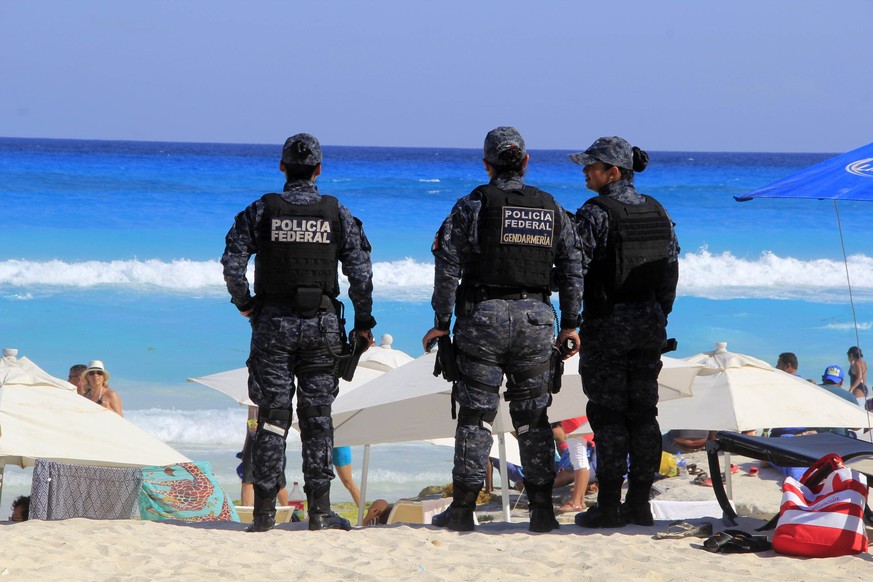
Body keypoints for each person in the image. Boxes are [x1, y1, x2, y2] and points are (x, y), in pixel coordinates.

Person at [421, 126, 583, 532]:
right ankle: (543, 511)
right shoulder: (552, 208)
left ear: (487, 164)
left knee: (475, 416)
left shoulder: (473, 204)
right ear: (526, 162)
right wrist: (574, 322)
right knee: (533, 417)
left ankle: (462, 511)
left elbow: (447, 265)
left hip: (483, 319)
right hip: (536, 320)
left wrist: (441, 323)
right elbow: (574, 266)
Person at [221, 133, 376, 533]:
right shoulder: (335, 212)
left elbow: (232, 262)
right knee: (317, 418)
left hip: (272, 325)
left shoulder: (263, 210)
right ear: (319, 170)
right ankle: (321, 512)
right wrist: (363, 323)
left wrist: (245, 304)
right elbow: (360, 272)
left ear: (283, 167)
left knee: (272, 418)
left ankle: (264, 513)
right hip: (322, 328)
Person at [569, 136, 679, 529]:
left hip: (608, 324)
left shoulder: (596, 212)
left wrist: (571, 318)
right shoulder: (657, 210)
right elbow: (670, 273)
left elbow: (573, 269)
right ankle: (639, 503)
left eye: (591, 167)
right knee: (644, 415)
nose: (585, 172)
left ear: (612, 173)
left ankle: (610, 505)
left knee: (609, 415)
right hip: (649, 325)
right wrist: (657, 314)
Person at [553, 417, 593, 513]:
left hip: (574, 424)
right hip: (578, 423)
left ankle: (575, 502)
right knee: (580, 460)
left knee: (579, 460)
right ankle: (579, 500)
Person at [333, 446, 361, 512]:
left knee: (348, 483)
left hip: (339, 447)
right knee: (317, 482)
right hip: (319, 443)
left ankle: (366, 515)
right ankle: (312, 516)